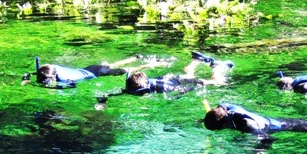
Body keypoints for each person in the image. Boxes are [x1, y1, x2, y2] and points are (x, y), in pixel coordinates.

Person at [122, 51, 234, 96]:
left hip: (174, 82)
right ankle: (196, 60)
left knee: (217, 83)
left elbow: (177, 88)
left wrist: (188, 90)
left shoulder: (161, 87)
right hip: (171, 78)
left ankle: (216, 67)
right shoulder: (142, 85)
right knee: (188, 75)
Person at [28, 55, 171, 88]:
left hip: (94, 73)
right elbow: (42, 71)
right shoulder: (51, 68)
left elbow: (72, 86)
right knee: (111, 67)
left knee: (125, 71)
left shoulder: (64, 79)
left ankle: (149, 64)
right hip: (90, 68)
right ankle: (133, 57)